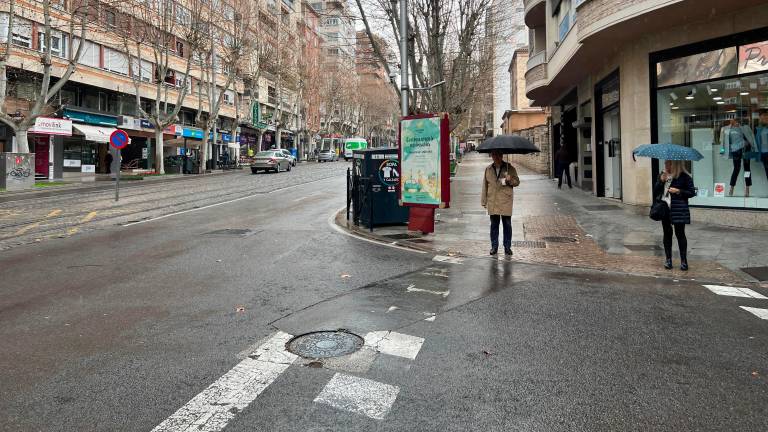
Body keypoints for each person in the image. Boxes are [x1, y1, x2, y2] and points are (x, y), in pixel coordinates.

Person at [653, 160, 696, 271]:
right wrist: (661, 181)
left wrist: (678, 191)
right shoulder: (662, 175)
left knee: (680, 234)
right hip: (665, 208)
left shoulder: (684, 176)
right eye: (666, 163)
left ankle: (683, 261)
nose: (666, 165)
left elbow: (691, 192)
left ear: (675, 164)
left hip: (678, 208)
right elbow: (655, 191)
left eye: (669, 163)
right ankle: (668, 260)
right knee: (667, 233)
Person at [481, 150, 520, 256]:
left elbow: (517, 182)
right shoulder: (488, 169)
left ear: (502, 155)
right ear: (492, 156)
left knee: (507, 224)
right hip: (493, 201)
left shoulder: (509, 168)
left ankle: (507, 247)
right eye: (494, 155)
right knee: (494, 225)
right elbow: (485, 185)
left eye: (498, 155)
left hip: (505, 200)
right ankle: (494, 246)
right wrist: (484, 201)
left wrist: (510, 179)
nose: (496, 157)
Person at [720, 118, 756, 197]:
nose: (733, 121)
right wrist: (722, 150)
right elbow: (723, 140)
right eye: (732, 120)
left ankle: (747, 188)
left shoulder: (743, 127)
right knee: (736, 168)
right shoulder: (727, 129)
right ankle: (732, 187)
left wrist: (749, 144)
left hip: (745, 149)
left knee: (747, 168)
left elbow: (750, 136)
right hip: (735, 150)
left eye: (735, 120)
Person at [755, 110, 768, 181]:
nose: (762, 119)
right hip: (763, 153)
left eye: (764, 118)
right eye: (761, 118)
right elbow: (757, 141)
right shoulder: (759, 129)